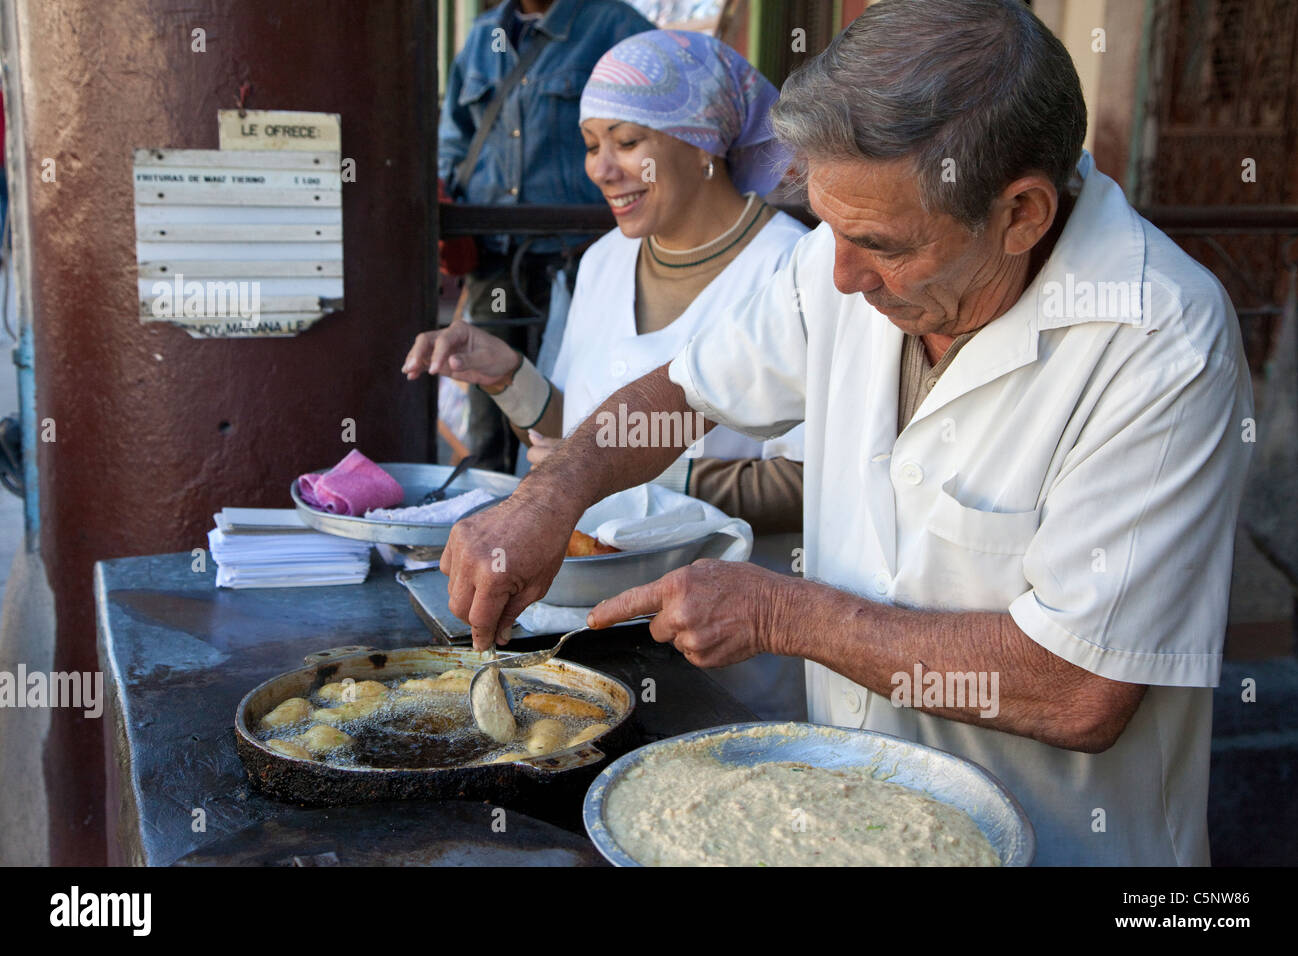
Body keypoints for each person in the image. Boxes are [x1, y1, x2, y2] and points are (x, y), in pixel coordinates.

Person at [436, 0, 1255, 866]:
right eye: (827, 224)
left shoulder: (1160, 340)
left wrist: (784, 613)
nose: (838, 274)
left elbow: (1081, 688)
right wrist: (546, 497)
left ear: (1020, 213)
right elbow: (684, 389)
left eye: (880, 243)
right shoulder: (845, 263)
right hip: (843, 823)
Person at [409, 30, 809, 719]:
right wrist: (510, 378)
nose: (601, 167)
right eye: (592, 144)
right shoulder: (601, 263)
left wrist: (649, 476)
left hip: (731, 648)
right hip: (591, 632)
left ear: (702, 141)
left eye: (627, 142)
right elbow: (584, 438)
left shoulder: (786, 270)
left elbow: (808, 485)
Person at [438, 0, 654, 472]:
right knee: (489, 406)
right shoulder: (482, 38)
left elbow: (654, 130)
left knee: (576, 399)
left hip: (579, 256)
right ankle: (492, 523)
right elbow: (453, 137)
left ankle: (565, 521)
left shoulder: (616, 27)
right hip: (494, 258)